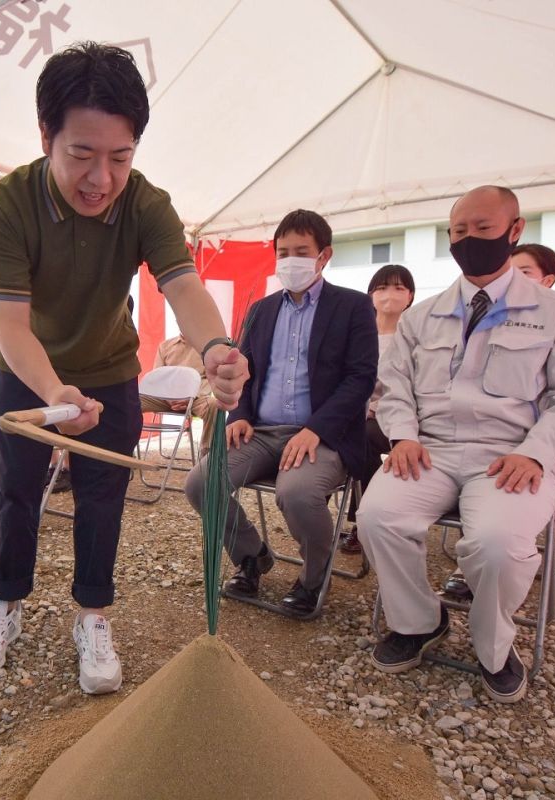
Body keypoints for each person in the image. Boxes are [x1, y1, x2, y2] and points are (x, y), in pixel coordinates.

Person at [0, 42, 249, 695]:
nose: (101, 178)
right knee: (13, 491)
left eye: (119, 157)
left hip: (111, 370)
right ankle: (3, 603)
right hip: (28, 375)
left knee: (101, 498)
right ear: (45, 136)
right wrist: (57, 391)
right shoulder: (7, 206)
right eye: (81, 155)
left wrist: (215, 351)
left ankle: (92, 616)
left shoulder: (146, 204)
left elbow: (185, 288)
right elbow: (11, 324)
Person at [358, 186, 555, 703]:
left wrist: (538, 451)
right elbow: (394, 383)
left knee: (495, 545)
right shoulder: (422, 316)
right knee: (377, 516)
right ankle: (420, 621)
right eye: (459, 231)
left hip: (510, 456)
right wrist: (401, 434)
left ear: (515, 231)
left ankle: (495, 647)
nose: (468, 240)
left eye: (483, 229)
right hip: (431, 449)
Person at [184, 209, 378, 617]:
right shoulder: (261, 309)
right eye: (283, 251)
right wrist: (240, 414)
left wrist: (316, 430)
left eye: (301, 251)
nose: (291, 260)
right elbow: (245, 369)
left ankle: (312, 578)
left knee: (298, 492)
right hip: (262, 431)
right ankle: (252, 555)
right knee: (202, 481)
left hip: (321, 434)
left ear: (324, 255)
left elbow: (360, 379)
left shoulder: (353, 307)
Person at [442, 243, 555, 600]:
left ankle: (481, 585)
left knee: (500, 533)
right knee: (382, 515)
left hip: (521, 446)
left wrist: (536, 452)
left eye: (524, 271)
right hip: (452, 444)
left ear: (547, 280)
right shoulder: (458, 314)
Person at [340, 264, 416, 555]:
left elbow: (417, 384)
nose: (389, 295)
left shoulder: (415, 335)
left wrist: (381, 407)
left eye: (399, 288)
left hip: (402, 418)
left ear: (410, 295)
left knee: (364, 437)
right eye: (382, 288)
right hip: (360, 412)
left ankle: (364, 521)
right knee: (344, 433)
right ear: (370, 294)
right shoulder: (357, 333)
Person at [140, 334, 219, 455]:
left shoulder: (207, 348)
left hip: (195, 399)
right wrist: (168, 396)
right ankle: (123, 449)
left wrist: (191, 397)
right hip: (164, 399)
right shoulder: (165, 346)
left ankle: (207, 454)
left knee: (214, 405)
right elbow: (157, 377)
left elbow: (211, 379)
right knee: (131, 401)